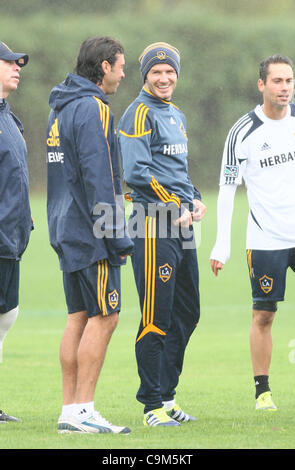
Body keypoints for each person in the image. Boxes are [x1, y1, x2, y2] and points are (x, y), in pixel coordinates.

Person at [46, 36, 134, 434]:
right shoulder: (94, 108)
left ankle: (69, 411)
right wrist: (117, 235)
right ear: (104, 67)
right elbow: (101, 179)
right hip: (93, 233)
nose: (123, 72)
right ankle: (83, 411)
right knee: (106, 316)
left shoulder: (59, 107)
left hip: (65, 227)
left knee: (78, 317)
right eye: (120, 65)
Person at [118, 42, 206, 427]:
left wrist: (196, 200)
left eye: (170, 71)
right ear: (145, 76)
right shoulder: (138, 113)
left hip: (182, 226)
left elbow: (179, 173)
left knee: (188, 312)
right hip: (153, 224)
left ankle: (168, 398)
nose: (164, 78)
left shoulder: (176, 114)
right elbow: (136, 175)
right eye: (157, 72)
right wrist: (177, 206)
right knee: (156, 316)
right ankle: (152, 405)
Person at [210, 54, 295, 411]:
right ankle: (263, 391)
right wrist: (222, 243)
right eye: (277, 81)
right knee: (264, 314)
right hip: (266, 239)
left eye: (289, 81)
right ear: (262, 85)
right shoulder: (242, 132)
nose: (284, 88)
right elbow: (227, 188)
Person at [0, 41, 31, 423]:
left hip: (11, 237)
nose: (16, 66)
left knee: (7, 315)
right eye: (7, 62)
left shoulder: (8, 115)